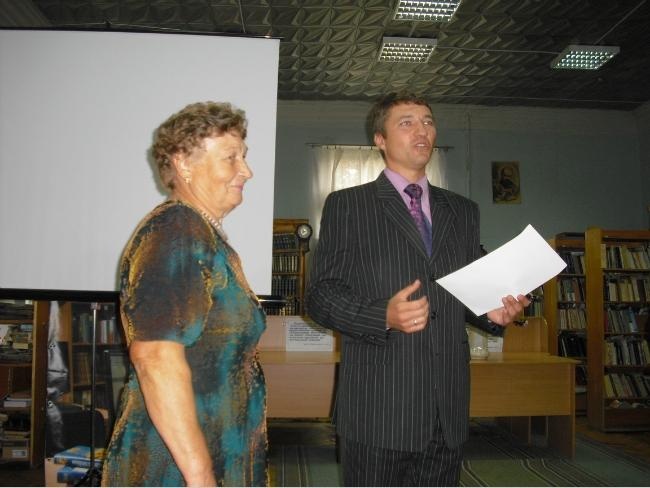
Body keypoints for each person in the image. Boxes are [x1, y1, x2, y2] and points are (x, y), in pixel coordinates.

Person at [305, 92, 529, 487]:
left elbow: (462, 290)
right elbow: (321, 295)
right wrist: (382, 315)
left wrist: (492, 311)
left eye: (427, 121)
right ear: (380, 139)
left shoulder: (463, 211)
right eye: (406, 122)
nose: (421, 130)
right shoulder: (348, 205)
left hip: (447, 408)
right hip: (379, 407)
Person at [102, 102, 267, 487]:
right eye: (231, 157)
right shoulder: (176, 229)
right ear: (183, 163)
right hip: (173, 467)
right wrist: (200, 475)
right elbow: (156, 357)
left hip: (209, 451)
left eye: (244, 156)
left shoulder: (202, 234)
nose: (247, 170)